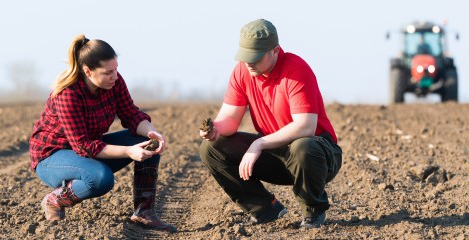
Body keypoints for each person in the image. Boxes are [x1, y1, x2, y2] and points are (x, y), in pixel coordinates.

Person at [199, 19, 342, 229]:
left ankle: (313, 211)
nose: (249, 63)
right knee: (211, 148)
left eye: (255, 57)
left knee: (303, 146)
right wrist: (216, 129)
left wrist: (258, 144)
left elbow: (305, 127)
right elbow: (230, 116)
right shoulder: (243, 71)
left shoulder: (296, 69)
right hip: (277, 152)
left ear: (275, 51)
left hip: (318, 155)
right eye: (245, 57)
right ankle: (265, 209)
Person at [29, 34, 176, 233]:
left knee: (147, 142)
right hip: (52, 157)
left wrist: (152, 133)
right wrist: (128, 152)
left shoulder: (113, 83)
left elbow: (130, 114)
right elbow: (83, 146)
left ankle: (144, 212)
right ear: (88, 71)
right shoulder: (68, 93)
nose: (114, 76)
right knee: (100, 179)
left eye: (116, 69)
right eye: (108, 72)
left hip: (85, 151)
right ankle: (54, 200)